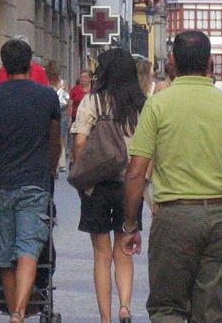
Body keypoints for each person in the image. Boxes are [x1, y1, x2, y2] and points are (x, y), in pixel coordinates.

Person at [121, 30, 222, 323]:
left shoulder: (159, 105)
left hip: (175, 214)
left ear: (172, 61)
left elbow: (136, 172)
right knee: (210, 310)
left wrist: (130, 224)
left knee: (168, 307)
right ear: (210, 63)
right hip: (221, 215)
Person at [0, 39, 62, 323]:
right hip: (35, 181)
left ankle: (15, 310)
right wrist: (50, 170)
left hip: (1, 181)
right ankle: (18, 313)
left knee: (3, 251)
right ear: (30, 64)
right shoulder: (47, 97)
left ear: (3, 65)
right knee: (28, 247)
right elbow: (55, 141)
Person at [71, 48, 146, 323]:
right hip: (131, 184)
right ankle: (125, 306)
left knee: (101, 254)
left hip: (98, 184)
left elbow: (79, 142)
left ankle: (105, 318)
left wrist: (82, 175)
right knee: (124, 249)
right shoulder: (141, 104)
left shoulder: (93, 102)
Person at [46, 60, 70, 170]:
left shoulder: (47, 84)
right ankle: (61, 162)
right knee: (60, 137)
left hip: (54, 111)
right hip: (60, 111)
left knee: (55, 136)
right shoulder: (62, 83)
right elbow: (69, 101)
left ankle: (57, 162)